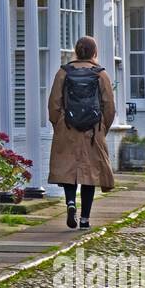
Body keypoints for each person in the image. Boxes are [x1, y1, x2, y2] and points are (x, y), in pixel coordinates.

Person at [48, 36, 116, 229]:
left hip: (67, 128)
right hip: (93, 130)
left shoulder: (63, 73)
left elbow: (54, 103)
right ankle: (85, 219)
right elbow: (109, 106)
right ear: (94, 52)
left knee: (68, 169)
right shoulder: (100, 74)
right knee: (90, 174)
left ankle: (70, 203)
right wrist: (102, 127)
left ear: (76, 51)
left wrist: (59, 124)